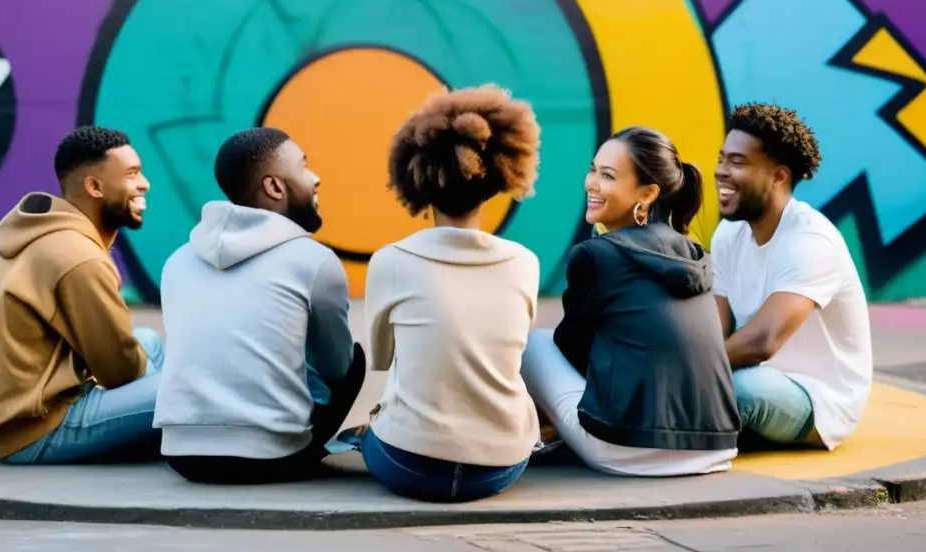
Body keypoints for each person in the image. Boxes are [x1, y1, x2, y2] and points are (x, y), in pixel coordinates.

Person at [521, 126, 740, 477]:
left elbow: (572, 351)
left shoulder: (596, 255)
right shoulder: (695, 253)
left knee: (534, 343)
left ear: (648, 193)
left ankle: (532, 435)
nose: (591, 183)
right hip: (717, 448)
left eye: (607, 176)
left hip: (626, 451)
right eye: (593, 169)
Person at [153, 127, 364, 484]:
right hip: (270, 459)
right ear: (275, 187)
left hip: (183, 458)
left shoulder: (177, 260)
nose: (316, 179)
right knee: (354, 359)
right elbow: (336, 365)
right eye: (304, 166)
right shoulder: (313, 260)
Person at [362, 84, 541, 503]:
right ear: (500, 176)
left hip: (408, 466)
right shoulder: (525, 262)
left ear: (415, 178)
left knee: (369, 430)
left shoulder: (390, 261)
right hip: (501, 467)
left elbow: (381, 358)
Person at [0, 125, 163, 465]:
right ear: (94, 187)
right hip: (40, 430)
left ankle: (159, 430)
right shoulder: (78, 258)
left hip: (18, 415)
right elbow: (120, 371)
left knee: (150, 341)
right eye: (132, 174)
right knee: (189, 390)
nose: (144, 183)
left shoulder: (50, 234)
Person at [712, 103, 872, 451]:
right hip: (746, 372)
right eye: (722, 158)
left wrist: (678, 370)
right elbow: (715, 328)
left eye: (737, 162)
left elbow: (761, 341)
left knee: (742, 393)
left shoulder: (811, 240)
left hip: (818, 399)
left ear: (778, 176)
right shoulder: (728, 234)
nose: (721, 171)